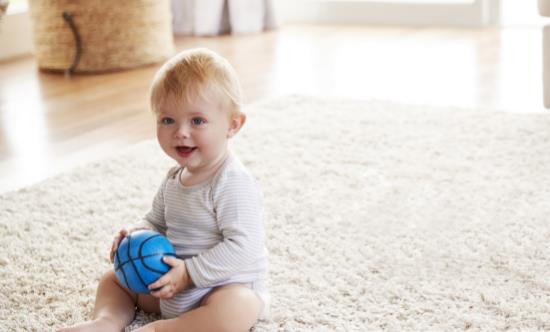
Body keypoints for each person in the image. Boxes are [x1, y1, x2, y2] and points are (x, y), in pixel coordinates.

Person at [59, 48, 269, 332]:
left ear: (233, 125)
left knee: (238, 307)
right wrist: (134, 237)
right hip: (169, 283)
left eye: (197, 121)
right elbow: (155, 221)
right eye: (167, 120)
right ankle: (106, 322)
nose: (181, 131)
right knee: (114, 279)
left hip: (218, 287)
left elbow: (244, 248)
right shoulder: (174, 178)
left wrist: (190, 274)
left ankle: (162, 329)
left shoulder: (233, 182)